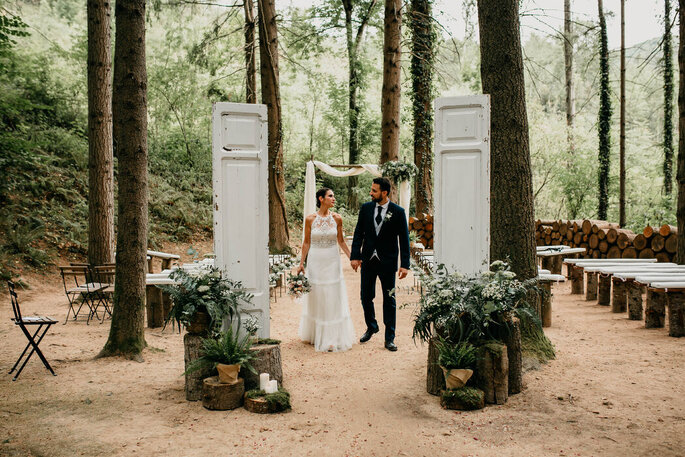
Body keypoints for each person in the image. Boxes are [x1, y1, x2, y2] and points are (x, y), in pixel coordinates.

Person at [350, 177, 410, 352]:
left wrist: (404, 264)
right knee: (365, 297)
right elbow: (358, 233)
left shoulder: (398, 212)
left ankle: (389, 338)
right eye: (371, 189)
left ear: (384, 193)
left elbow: (404, 240)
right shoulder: (366, 208)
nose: (371, 193)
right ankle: (372, 326)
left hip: (388, 262)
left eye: (374, 190)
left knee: (389, 300)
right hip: (368, 261)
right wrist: (355, 256)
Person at [296, 188, 355, 352]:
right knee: (318, 295)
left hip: (332, 261)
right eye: (330, 196)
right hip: (315, 261)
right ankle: (316, 333)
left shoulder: (337, 218)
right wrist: (301, 263)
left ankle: (330, 337)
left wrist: (352, 258)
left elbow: (341, 241)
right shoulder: (310, 219)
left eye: (333, 196)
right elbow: (306, 242)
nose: (333, 198)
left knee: (331, 296)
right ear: (321, 199)